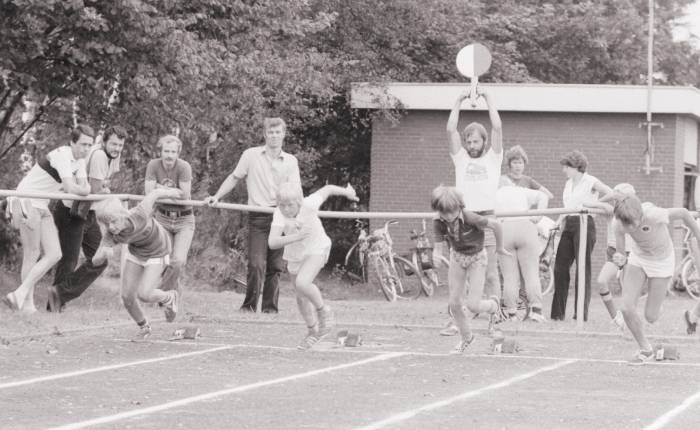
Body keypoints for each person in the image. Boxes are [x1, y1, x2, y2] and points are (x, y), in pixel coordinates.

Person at [207, 117, 301, 313]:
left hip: (281, 217)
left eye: (278, 132)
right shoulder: (251, 155)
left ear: (283, 134)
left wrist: (298, 217)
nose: (274, 136)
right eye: (270, 132)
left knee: (275, 266)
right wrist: (216, 196)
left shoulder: (291, 161)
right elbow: (234, 177)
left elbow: (296, 192)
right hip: (258, 216)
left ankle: (270, 309)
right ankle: (248, 306)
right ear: (265, 134)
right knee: (256, 264)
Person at [3, 124, 93, 312]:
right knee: (32, 253)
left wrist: (83, 188)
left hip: (42, 205)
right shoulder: (62, 155)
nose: (86, 149)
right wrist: (83, 189)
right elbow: (70, 188)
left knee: (55, 254)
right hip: (26, 201)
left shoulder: (80, 162)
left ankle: (19, 294)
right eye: (83, 144)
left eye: (89, 145)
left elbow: (85, 188)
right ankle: (26, 305)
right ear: (72, 142)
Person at [607, 193, 700, 364]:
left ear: (640, 215)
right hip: (638, 258)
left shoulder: (654, 214)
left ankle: (657, 303)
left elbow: (684, 213)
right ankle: (645, 349)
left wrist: (699, 237)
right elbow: (621, 253)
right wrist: (620, 259)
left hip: (662, 261)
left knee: (651, 316)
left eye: (633, 223)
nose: (630, 228)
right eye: (626, 225)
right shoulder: (618, 224)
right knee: (626, 307)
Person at [442, 87, 503, 336]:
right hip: (462, 218)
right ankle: (457, 320)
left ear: (484, 142)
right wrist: (458, 100)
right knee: (460, 274)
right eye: (468, 141)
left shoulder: (493, 158)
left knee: (490, 273)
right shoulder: (461, 159)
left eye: (475, 141)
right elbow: (450, 130)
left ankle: (495, 319)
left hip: (486, 217)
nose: (471, 145)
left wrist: (488, 99)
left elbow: (497, 127)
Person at [268, 182, 358, 349]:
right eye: (282, 205)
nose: (286, 209)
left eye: (290, 205)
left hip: (317, 248)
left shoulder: (309, 204)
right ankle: (313, 331)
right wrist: (297, 236)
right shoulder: (279, 214)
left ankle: (324, 311)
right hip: (295, 254)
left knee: (303, 283)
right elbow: (272, 242)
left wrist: (347, 192)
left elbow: (328, 189)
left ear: (299, 202)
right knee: (300, 296)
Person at [48, 125, 128, 312]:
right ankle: (55, 305)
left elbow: (98, 186)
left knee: (100, 259)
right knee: (69, 260)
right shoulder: (99, 155)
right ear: (104, 142)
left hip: (88, 212)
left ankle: (59, 294)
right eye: (113, 144)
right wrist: (105, 190)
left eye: (120, 145)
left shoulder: (111, 156)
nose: (117, 148)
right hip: (71, 210)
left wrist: (103, 188)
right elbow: (96, 190)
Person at [92, 187, 183, 340]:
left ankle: (169, 297)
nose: (111, 227)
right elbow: (95, 261)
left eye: (113, 221)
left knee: (144, 294)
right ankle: (144, 327)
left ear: (122, 214)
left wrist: (173, 192)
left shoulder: (139, 214)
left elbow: (154, 194)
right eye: (106, 224)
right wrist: (103, 254)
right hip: (136, 252)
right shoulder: (110, 235)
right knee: (127, 296)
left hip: (158, 250)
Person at [431, 185, 508, 354]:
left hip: (477, 258)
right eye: (444, 213)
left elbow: (496, 225)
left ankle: (493, 305)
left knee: (473, 305)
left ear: (459, 206)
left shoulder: (471, 218)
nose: (448, 217)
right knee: (454, 304)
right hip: (457, 257)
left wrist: (500, 247)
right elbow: (438, 246)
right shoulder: (438, 221)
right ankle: (467, 337)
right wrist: (436, 255)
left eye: (452, 212)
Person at [551, 150, 612, 321]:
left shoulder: (590, 180)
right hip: (569, 223)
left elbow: (610, 192)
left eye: (566, 167)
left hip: (585, 223)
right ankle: (557, 315)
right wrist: (558, 222)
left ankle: (580, 314)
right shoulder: (568, 184)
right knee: (560, 268)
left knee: (582, 269)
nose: (564, 170)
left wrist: (594, 204)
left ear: (575, 166)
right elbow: (567, 206)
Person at [145, 135, 195, 299]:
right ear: (161, 151)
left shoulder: (184, 167)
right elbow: (148, 192)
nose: (169, 155)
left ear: (178, 153)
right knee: (162, 259)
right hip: (163, 217)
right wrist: (172, 192)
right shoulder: (153, 165)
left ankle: (163, 295)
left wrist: (159, 189)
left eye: (173, 152)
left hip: (184, 219)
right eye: (166, 151)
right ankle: (171, 296)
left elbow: (185, 195)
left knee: (178, 261)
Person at [495, 176, 549, 322]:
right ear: (511, 183)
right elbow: (544, 196)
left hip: (504, 228)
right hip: (525, 225)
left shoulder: (495, 194)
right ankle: (536, 311)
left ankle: (512, 313)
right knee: (531, 273)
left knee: (509, 277)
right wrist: (538, 216)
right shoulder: (520, 190)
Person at [583, 183, 636, 331]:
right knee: (601, 281)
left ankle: (630, 322)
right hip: (613, 253)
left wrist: (609, 198)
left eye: (617, 196)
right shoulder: (610, 210)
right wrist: (606, 198)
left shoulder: (632, 212)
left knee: (627, 291)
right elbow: (588, 204)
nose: (614, 198)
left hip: (630, 254)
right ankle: (616, 317)